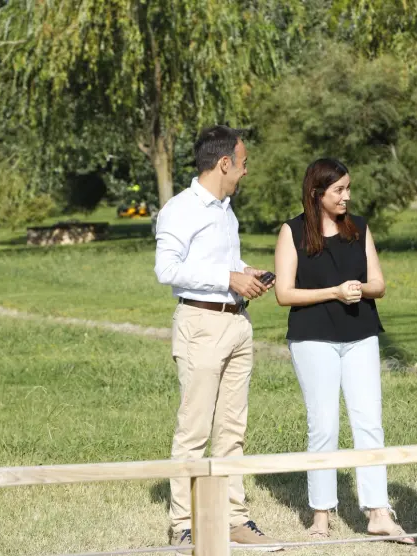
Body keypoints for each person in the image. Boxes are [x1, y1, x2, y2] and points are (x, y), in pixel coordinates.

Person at [154, 125, 281, 552]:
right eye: (243, 164)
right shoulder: (180, 209)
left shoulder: (227, 210)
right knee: (194, 429)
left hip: (236, 325)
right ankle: (184, 524)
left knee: (232, 430)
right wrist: (227, 277)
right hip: (201, 325)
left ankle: (233, 518)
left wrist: (244, 272)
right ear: (224, 162)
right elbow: (167, 270)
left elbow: (220, 262)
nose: (245, 172)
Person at [273, 158, 414, 544]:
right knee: (324, 425)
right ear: (317, 193)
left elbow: (379, 284)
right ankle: (321, 514)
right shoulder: (293, 231)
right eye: (339, 190)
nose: (346, 196)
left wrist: (359, 288)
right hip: (312, 337)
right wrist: (333, 292)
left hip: (361, 334)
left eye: (348, 188)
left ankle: (378, 512)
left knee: (369, 421)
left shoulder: (359, 228)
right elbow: (284, 293)